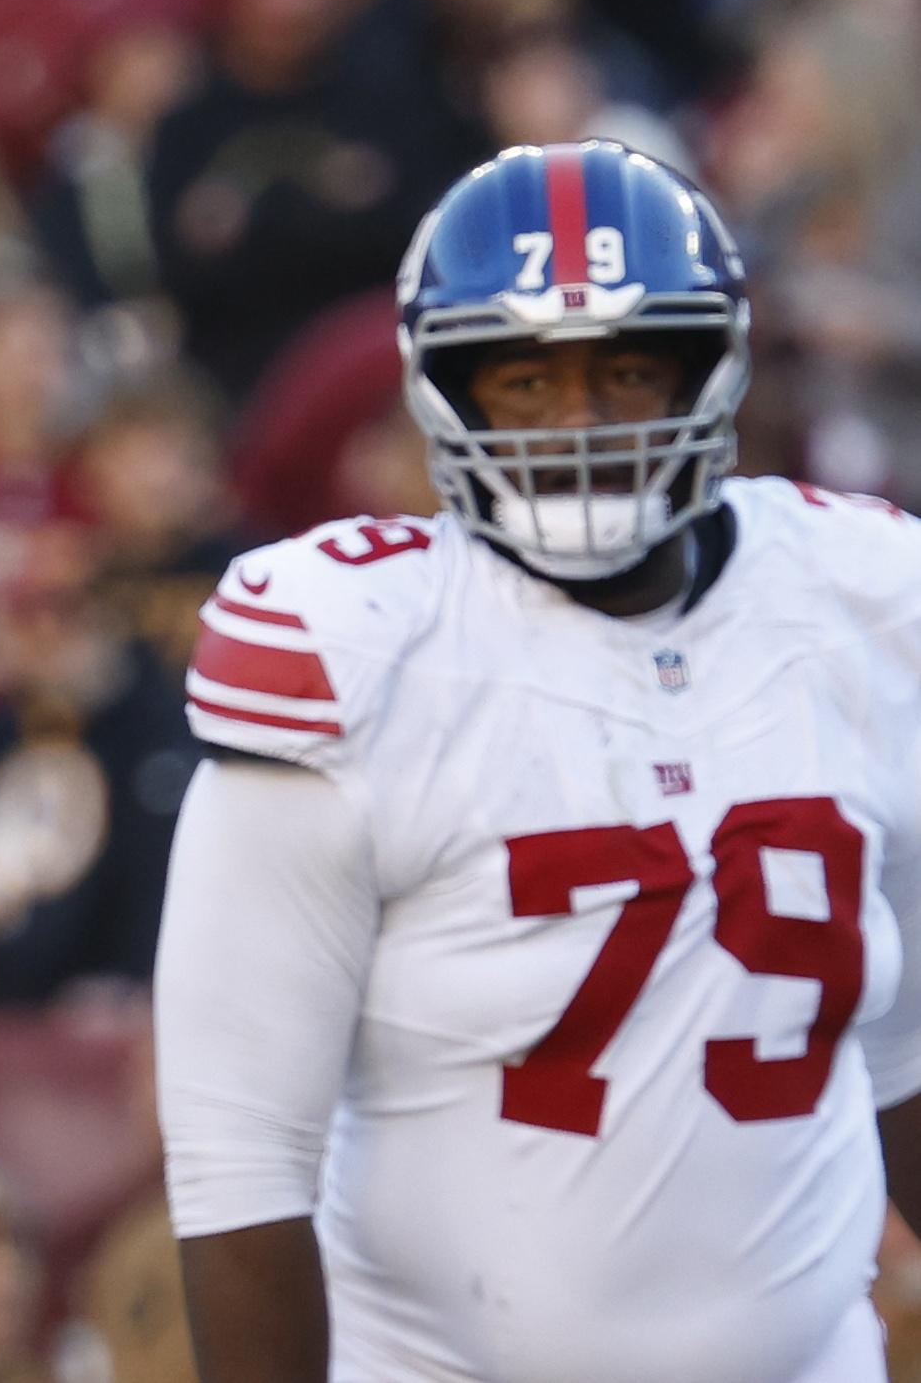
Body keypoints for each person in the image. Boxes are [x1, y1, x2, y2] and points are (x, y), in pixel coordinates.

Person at [155, 139, 921, 1383]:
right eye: (525, 379)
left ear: (709, 372)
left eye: (626, 369)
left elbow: (904, 1055)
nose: (580, 424)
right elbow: (241, 1171)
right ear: (446, 388)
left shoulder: (865, 601)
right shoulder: (357, 653)